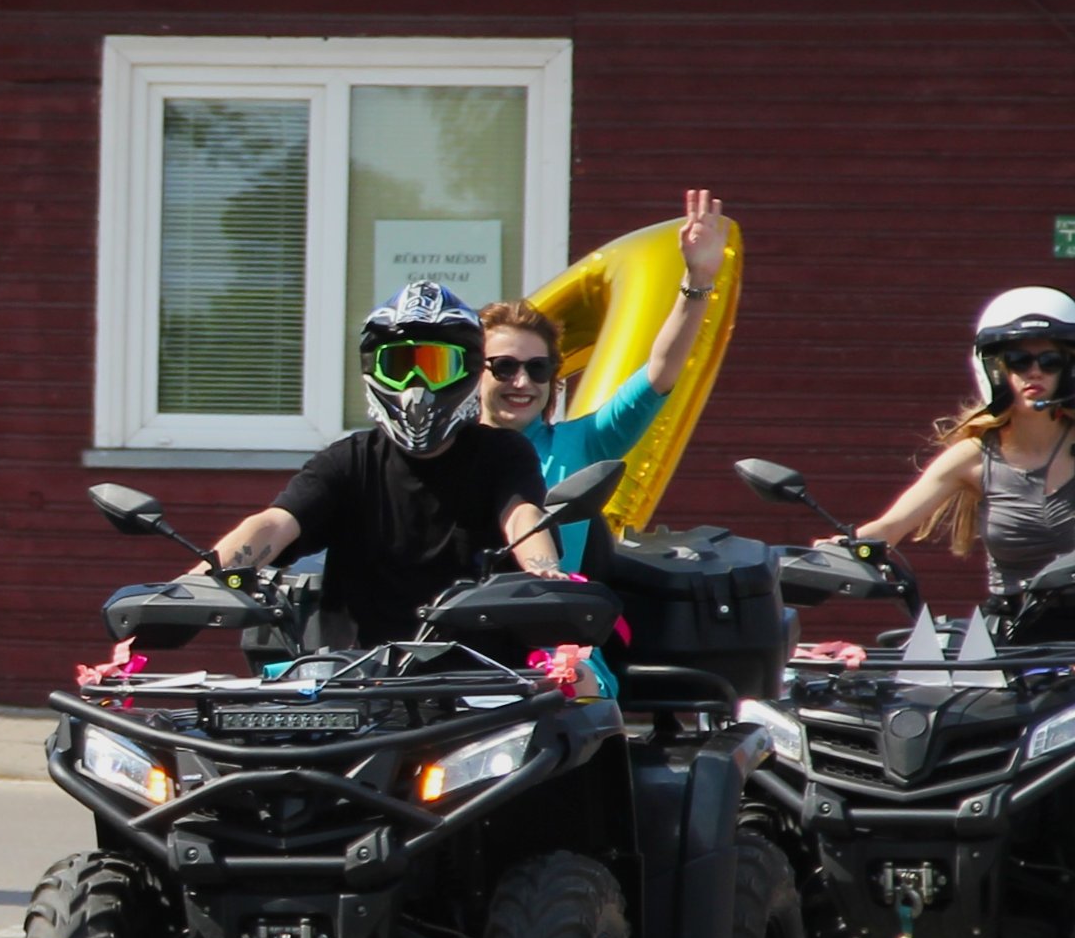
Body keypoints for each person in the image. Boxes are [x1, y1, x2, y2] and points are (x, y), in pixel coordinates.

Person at [193, 280, 565, 649]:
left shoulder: (502, 453)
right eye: (400, 367)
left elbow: (522, 515)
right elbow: (275, 523)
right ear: (375, 370)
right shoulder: (348, 460)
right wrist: (196, 585)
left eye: (436, 367)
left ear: (466, 371)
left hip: (485, 674)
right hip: (358, 674)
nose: (416, 385)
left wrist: (544, 572)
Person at [477, 188, 730, 569]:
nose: (522, 382)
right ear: (474, 373)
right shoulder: (447, 450)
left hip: (551, 604)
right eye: (505, 367)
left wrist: (697, 281)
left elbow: (660, 371)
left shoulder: (583, 443)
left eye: (537, 368)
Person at [853, 286, 1075, 610]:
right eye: (1019, 361)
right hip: (1010, 621)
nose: (1034, 372)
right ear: (996, 371)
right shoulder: (973, 456)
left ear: (1071, 370)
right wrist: (843, 548)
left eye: (1050, 361)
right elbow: (891, 526)